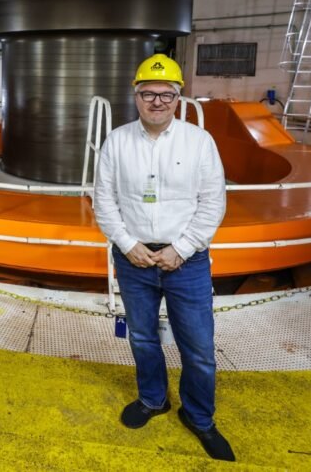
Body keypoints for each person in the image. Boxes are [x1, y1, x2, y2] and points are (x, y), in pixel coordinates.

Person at [92, 53, 233, 462]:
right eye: (148, 94)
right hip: (133, 260)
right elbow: (104, 201)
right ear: (136, 97)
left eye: (165, 94)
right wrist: (128, 244)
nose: (157, 101)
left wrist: (181, 249)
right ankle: (153, 399)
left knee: (200, 347)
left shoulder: (199, 142)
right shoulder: (117, 141)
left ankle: (200, 417)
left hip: (186, 264)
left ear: (178, 98)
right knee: (141, 337)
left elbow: (213, 203)